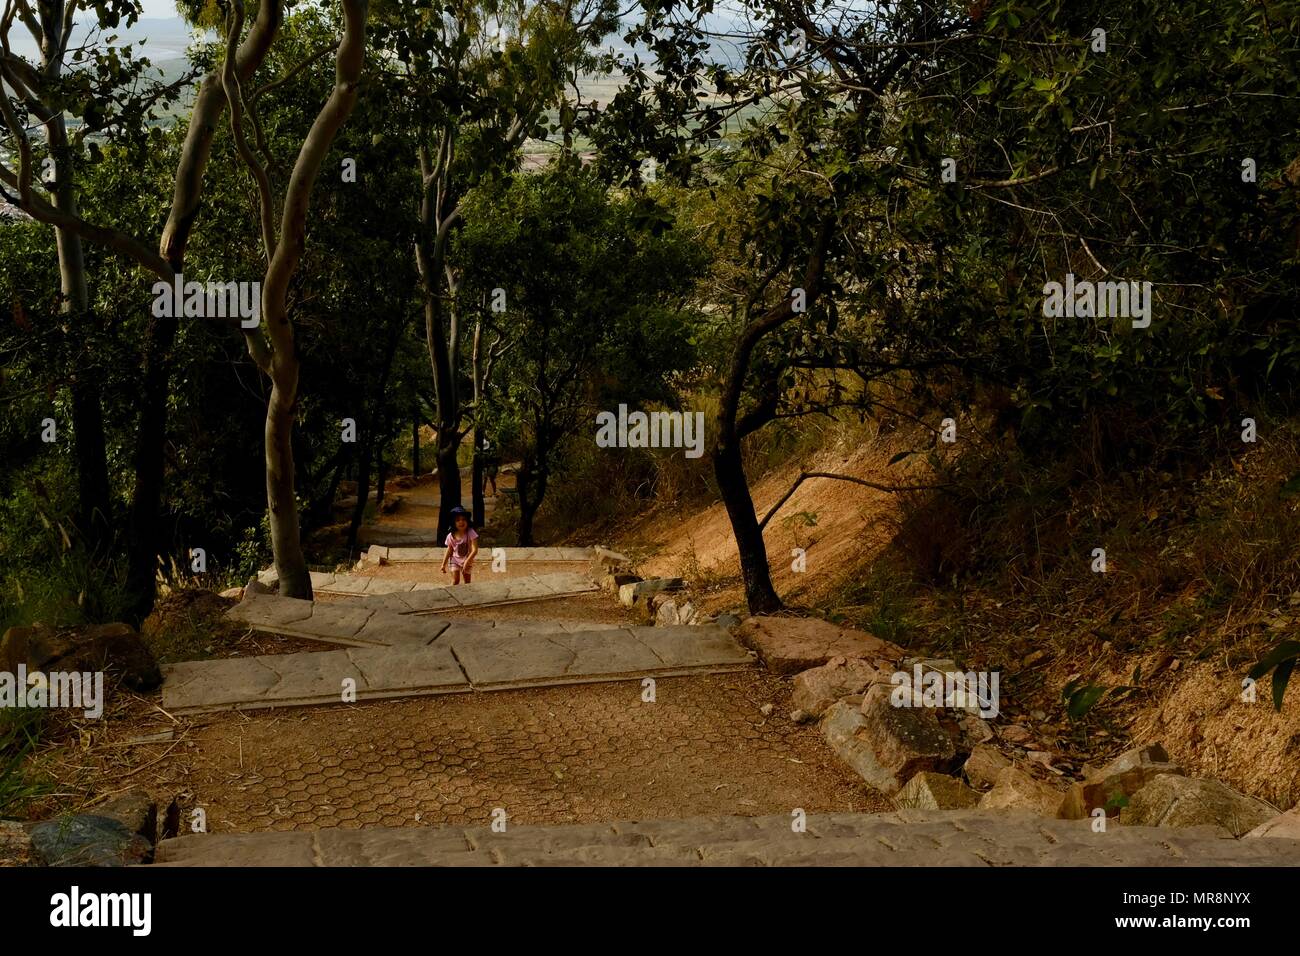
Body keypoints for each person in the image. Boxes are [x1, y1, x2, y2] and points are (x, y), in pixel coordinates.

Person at [440, 505, 478, 584]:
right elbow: (449, 550)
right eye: (457, 520)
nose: (461, 522)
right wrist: (443, 564)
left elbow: (475, 550)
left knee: (467, 582)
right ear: (453, 523)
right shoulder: (451, 536)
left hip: (468, 560)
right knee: (455, 580)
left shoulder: (471, 532)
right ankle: (451, 595)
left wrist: (467, 561)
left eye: (463, 519)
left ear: (467, 521)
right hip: (455, 560)